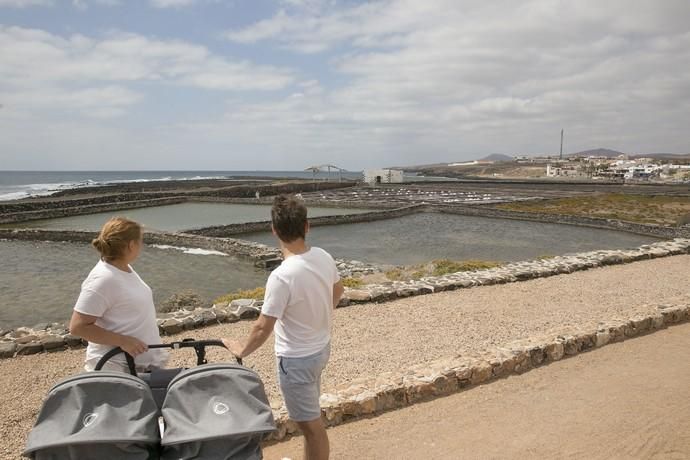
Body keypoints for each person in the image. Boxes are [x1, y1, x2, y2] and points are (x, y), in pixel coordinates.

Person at [223, 194, 344, 460]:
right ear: (307, 226)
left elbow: (262, 327)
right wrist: (319, 313)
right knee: (310, 420)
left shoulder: (282, 275)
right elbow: (338, 289)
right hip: (320, 349)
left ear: (274, 231)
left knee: (311, 427)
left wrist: (241, 350)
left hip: (296, 360)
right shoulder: (323, 256)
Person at [69, 216, 168, 373]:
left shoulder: (123, 268)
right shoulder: (102, 279)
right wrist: (123, 341)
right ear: (131, 245)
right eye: (140, 241)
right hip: (117, 368)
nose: (142, 245)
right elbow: (77, 327)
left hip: (139, 366)